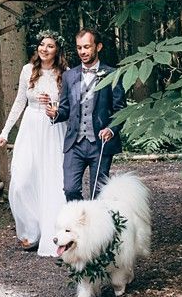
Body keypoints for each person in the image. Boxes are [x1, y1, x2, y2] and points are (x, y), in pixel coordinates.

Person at [0, 30, 68, 255]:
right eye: (42, 44)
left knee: (52, 179)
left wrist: (54, 104)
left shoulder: (64, 73)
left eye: (50, 46)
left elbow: (69, 104)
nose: (44, 49)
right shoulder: (28, 70)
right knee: (22, 178)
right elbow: (19, 101)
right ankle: (30, 228)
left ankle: (53, 233)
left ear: (57, 51)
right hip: (30, 127)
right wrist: (5, 132)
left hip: (53, 127)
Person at [46, 28, 126, 202]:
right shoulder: (69, 76)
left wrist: (111, 129)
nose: (82, 51)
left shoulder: (112, 74)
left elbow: (121, 110)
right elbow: (65, 109)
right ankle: (81, 218)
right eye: (79, 47)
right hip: (74, 144)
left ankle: (97, 219)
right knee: (70, 189)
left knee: (99, 193)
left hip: (100, 143)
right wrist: (55, 114)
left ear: (98, 47)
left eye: (87, 47)